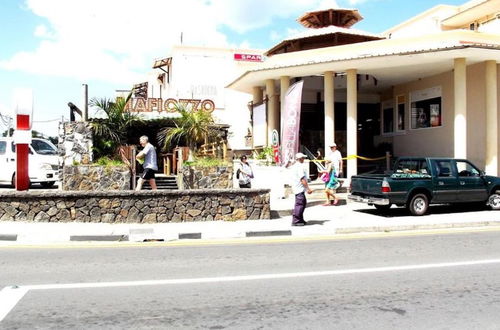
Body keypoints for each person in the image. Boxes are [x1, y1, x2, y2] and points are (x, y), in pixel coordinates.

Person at [291, 152, 312, 226]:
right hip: (299, 188)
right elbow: (302, 179)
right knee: (300, 204)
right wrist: (308, 188)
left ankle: (300, 219)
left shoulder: (295, 166)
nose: (304, 159)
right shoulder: (299, 166)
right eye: (303, 158)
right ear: (300, 159)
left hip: (297, 188)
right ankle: (296, 220)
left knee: (302, 203)